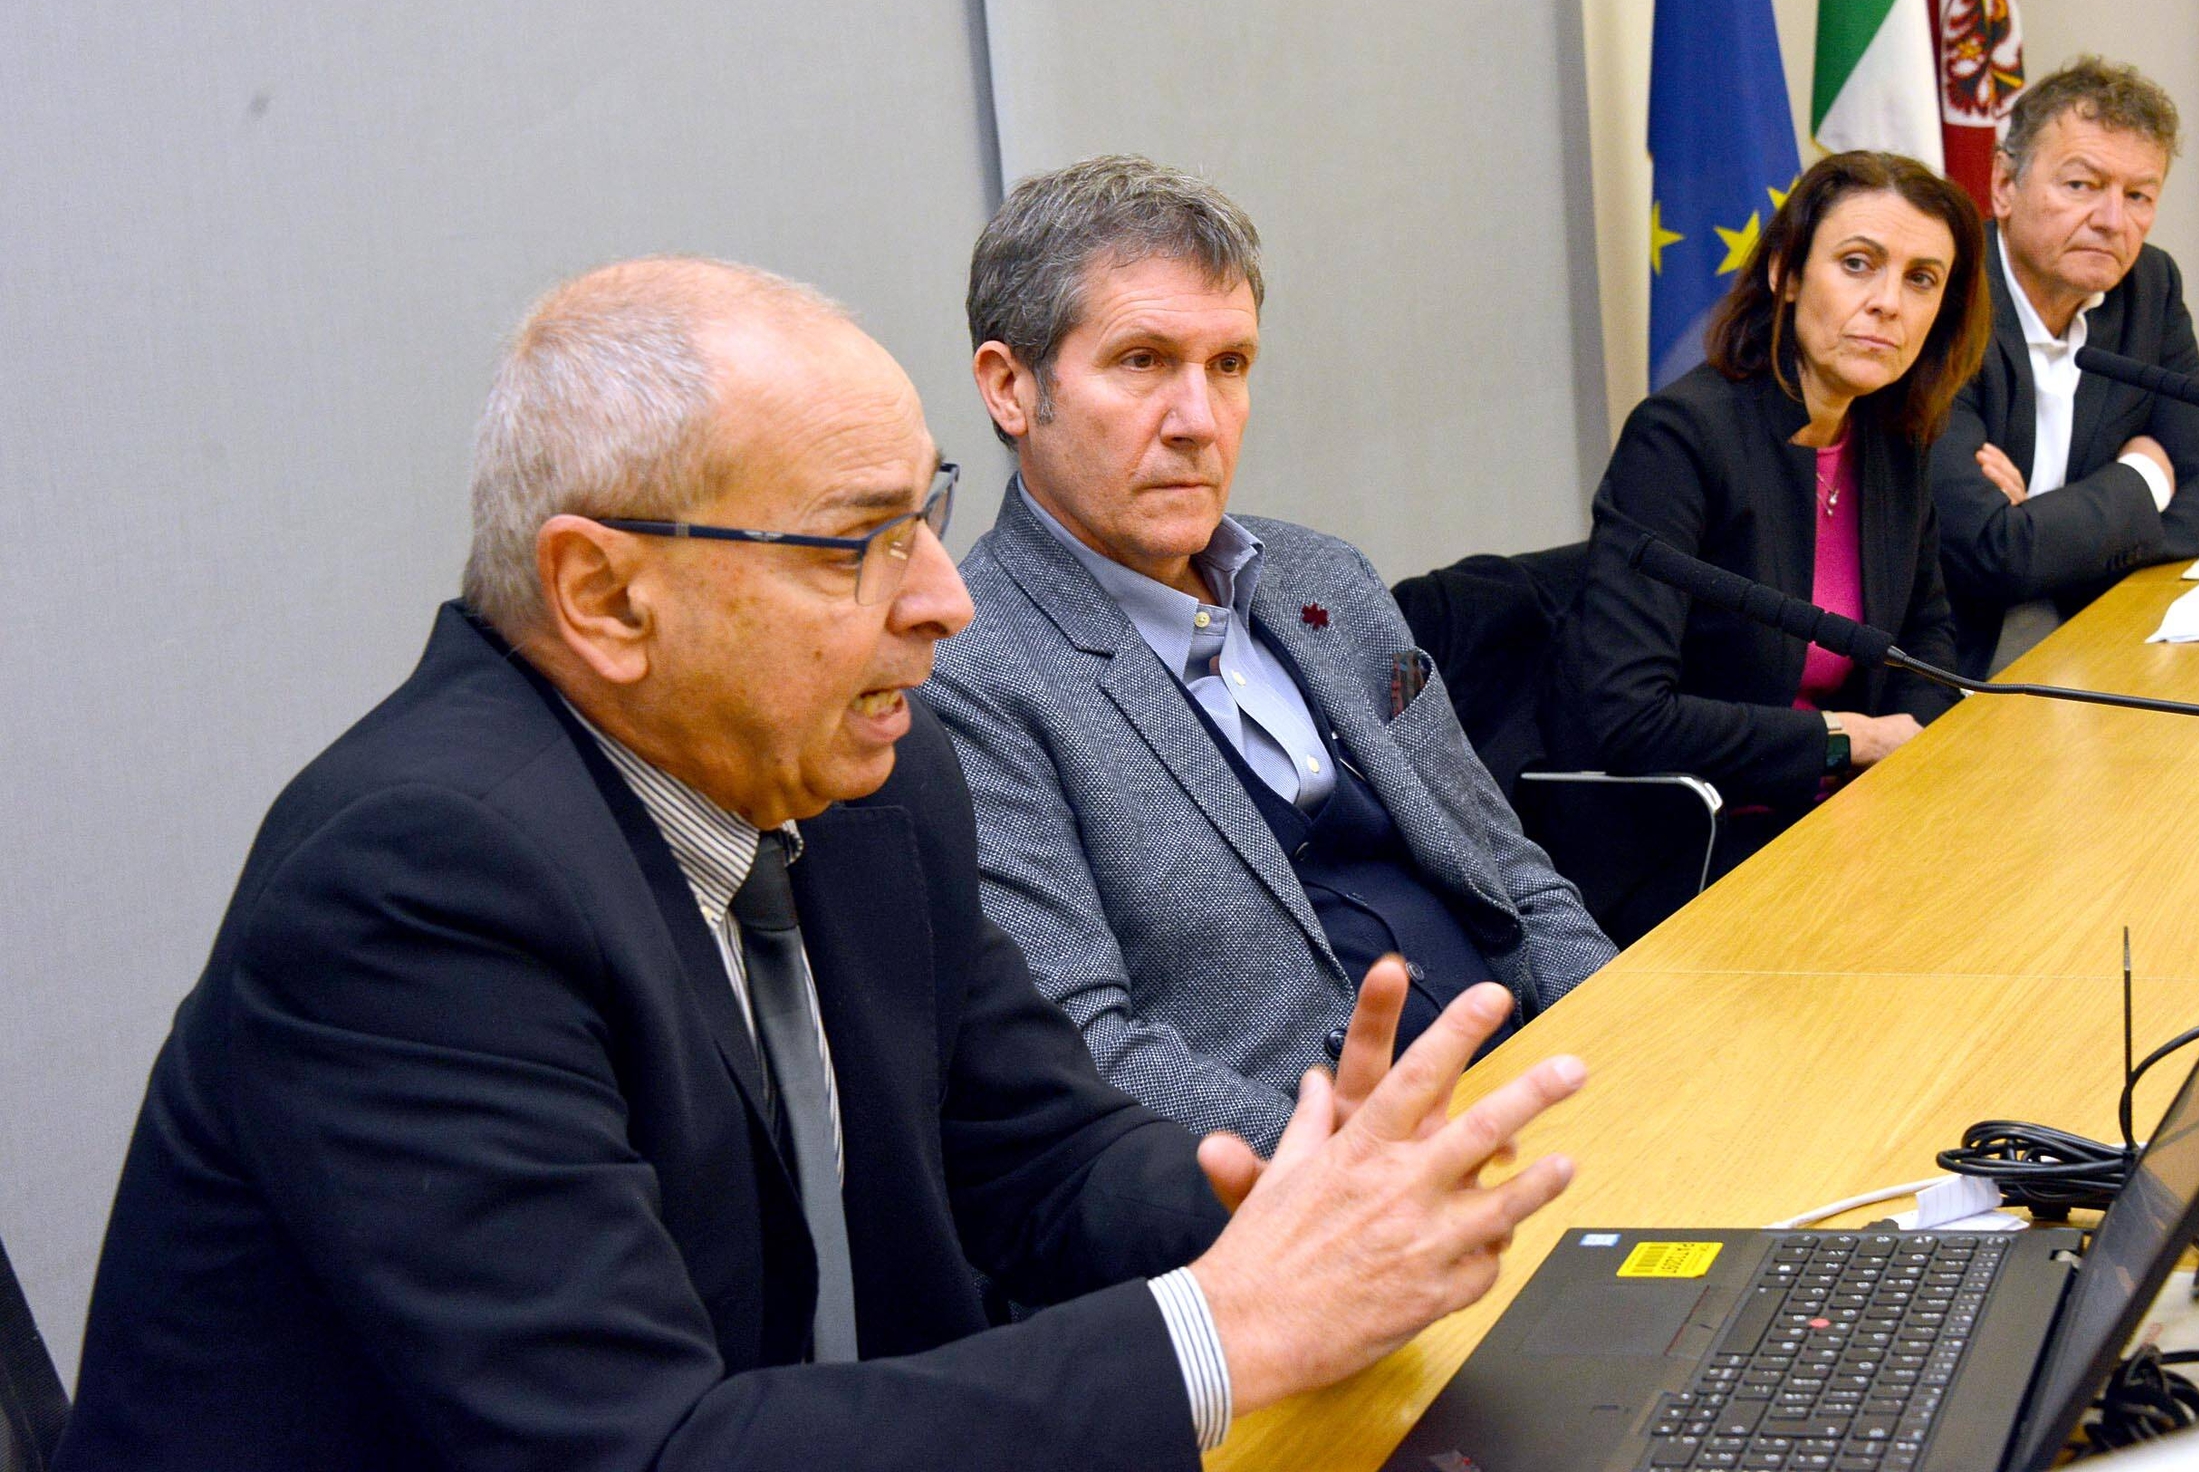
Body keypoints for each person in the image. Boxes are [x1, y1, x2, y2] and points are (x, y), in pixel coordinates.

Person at [56, 258, 1589, 1472]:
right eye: (859, 543)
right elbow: (646, 1448)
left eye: (925, 515)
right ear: (604, 592)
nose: (948, 600)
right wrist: (1223, 1329)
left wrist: (1299, 1209)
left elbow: (1043, 1154)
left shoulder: (871, 771)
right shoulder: (416, 884)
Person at [922, 156, 1614, 1152]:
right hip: (1320, 1187)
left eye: (1229, 365)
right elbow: (1093, 1054)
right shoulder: (971, 671)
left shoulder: (1320, 575)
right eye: (1142, 361)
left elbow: (1510, 873)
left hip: (1535, 1088)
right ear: (1009, 388)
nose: (1198, 421)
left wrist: (1622, 1035)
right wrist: (1360, 1174)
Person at [1542, 151, 1985, 862]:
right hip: (1703, 840)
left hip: (1854, 815)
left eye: (1921, 279)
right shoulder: (1683, 438)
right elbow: (1628, 713)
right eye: (1857, 263)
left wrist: (1907, 740)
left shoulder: (1890, 438)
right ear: (1784, 271)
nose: (1889, 303)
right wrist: (1854, 739)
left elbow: (1926, 644)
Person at [1932, 56, 2199, 677]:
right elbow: (1989, 555)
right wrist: (2145, 479)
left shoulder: (2147, 286)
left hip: (2098, 637)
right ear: (2005, 185)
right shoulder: (1945, 293)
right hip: (1958, 668)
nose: (2113, 221)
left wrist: (2044, 532)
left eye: (2138, 195)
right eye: (2081, 185)